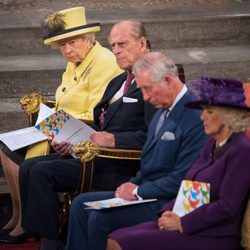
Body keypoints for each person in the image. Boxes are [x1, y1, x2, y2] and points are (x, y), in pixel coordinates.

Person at [13, 20, 156, 248]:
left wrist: (114, 139)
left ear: (142, 43)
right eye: (113, 45)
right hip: (95, 152)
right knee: (29, 167)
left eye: (122, 44)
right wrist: (70, 139)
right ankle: (49, 236)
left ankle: (51, 245)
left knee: (41, 172)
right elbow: (102, 121)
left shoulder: (153, 81)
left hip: (118, 163)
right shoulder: (120, 80)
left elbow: (154, 134)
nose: (116, 50)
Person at [0, 6, 122, 243]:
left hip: (80, 132)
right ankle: (18, 215)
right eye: (62, 45)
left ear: (88, 39)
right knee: (4, 146)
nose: (66, 50)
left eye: (72, 42)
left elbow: (96, 111)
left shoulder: (104, 61)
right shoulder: (77, 59)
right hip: (60, 125)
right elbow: (67, 97)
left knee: (19, 157)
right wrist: (49, 114)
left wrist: (55, 124)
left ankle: (27, 222)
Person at [65, 52, 207, 250]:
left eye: (148, 89)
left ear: (168, 80)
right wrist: (130, 185)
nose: (146, 97)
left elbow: (184, 179)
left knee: (99, 217)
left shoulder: (195, 117)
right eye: (142, 90)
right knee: (80, 205)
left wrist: (137, 191)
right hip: (147, 193)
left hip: (170, 202)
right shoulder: (160, 113)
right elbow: (148, 165)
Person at [107, 77, 250, 250]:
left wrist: (182, 222)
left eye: (209, 112)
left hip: (213, 234)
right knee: (116, 237)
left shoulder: (242, 150)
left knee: (123, 242)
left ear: (229, 116)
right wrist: (169, 212)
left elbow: (226, 207)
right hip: (187, 220)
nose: (202, 117)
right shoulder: (212, 143)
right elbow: (189, 186)